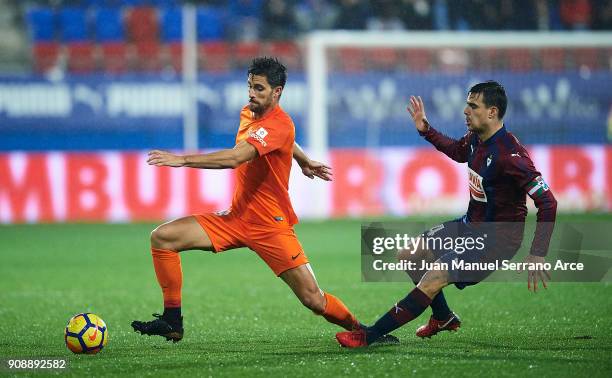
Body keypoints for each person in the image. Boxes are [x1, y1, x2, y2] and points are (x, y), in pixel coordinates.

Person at [131, 57, 361, 342]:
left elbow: (237, 157)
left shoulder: (280, 124)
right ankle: (172, 320)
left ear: (277, 93)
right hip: (236, 218)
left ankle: (362, 330)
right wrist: (302, 159)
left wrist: (182, 159)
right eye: (250, 86)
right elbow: (280, 141)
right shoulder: (250, 113)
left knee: (314, 300)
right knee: (163, 237)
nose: (252, 93)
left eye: (260, 88)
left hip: (270, 227)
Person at [336, 81, 558, 348]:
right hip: (469, 227)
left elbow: (547, 202)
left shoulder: (510, 156)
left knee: (433, 279)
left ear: (492, 112)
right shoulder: (478, 138)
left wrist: (538, 253)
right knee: (410, 254)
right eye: (467, 104)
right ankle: (443, 317)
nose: (465, 110)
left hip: (495, 242)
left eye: (473, 106)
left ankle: (369, 336)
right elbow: (457, 151)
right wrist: (426, 131)